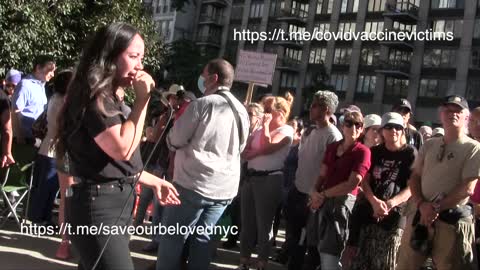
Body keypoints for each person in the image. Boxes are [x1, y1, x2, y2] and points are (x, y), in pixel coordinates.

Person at [55, 22, 180, 270]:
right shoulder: (95, 96)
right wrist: (142, 101)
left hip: (114, 201)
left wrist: (155, 181)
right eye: (133, 56)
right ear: (109, 57)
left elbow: (114, 164)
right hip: (98, 205)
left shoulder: (111, 96)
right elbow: (122, 148)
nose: (140, 66)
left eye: (141, 58)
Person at [156, 58, 249, 270]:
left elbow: (175, 139)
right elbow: (241, 147)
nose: (201, 79)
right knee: (203, 242)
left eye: (204, 75)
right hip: (224, 189)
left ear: (213, 78)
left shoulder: (202, 104)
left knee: (173, 238)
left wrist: (170, 137)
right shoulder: (242, 110)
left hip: (192, 184)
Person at [397, 95, 480, 269]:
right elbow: (415, 177)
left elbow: (468, 188)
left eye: (458, 110)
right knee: (405, 265)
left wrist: (435, 208)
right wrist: (422, 205)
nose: (453, 114)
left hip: (450, 222)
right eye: (448, 110)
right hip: (420, 217)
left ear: (466, 117)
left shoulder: (474, 148)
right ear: (441, 115)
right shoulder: (429, 145)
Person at [349, 112, 416, 270]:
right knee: (362, 261)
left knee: (386, 263)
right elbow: (365, 181)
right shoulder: (375, 152)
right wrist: (374, 202)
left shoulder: (410, 153)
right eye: (389, 127)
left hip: (395, 214)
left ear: (403, 130)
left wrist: (390, 203)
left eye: (398, 127)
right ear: (382, 131)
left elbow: (412, 186)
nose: (394, 131)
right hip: (369, 210)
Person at [285, 90, 343, 270]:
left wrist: (318, 195)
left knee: (310, 244)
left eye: (315, 105)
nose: (310, 108)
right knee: (294, 239)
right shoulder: (308, 131)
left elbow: (331, 171)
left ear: (326, 109)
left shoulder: (333, 136)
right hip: (297, 191)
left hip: (314, 198)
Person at [238, 93, 294, 270]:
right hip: (251, 177)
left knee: (264, 224)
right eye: (265, 110)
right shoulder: (261, 128)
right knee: (247, 223)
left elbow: (268, 147)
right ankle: (244, 260)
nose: (265, 114)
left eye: (268, 110)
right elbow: (247, 147)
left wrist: (266, 127)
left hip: (269, 179)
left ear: (280, 113)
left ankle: (262, 262)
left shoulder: (286, 130)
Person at [309, 110, 371, 270]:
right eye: (349, 123)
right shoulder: (332, 147)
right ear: (343, 126)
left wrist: (322, 194)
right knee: (318, 247)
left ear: (362, 128)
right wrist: (314, 192)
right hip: (323, 201)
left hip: (342, 204)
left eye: (358, 124)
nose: (354, 127)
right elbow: (322, 174)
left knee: (331, 249)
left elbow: (352, 184)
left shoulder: (363, 151)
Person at [13, 55, 56, 144]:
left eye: (53, 71)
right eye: (50, 71)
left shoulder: (41, 86)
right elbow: (14, 112)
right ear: (38, 68)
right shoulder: (25, 85)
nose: (53, 74)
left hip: (36, 140)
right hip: (25, 140)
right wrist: (20, 138)